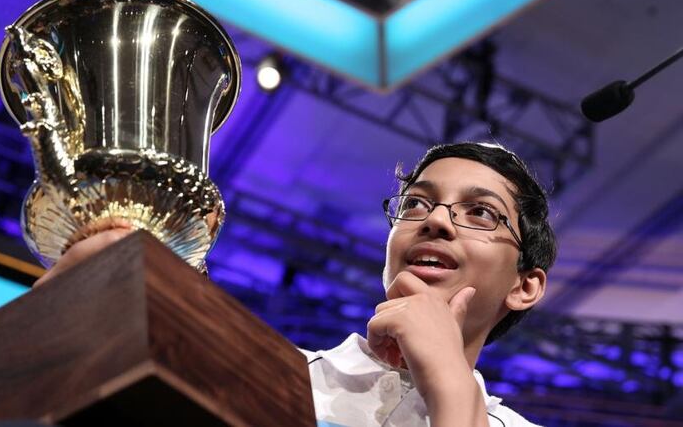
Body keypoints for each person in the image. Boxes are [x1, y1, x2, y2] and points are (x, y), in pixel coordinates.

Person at [35, 142, 556, 427]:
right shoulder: (272, 374)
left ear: (525, 286)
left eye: (480, 213)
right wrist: (79, 304)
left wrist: (448, 381)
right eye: (416, 204)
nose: (435, 221)